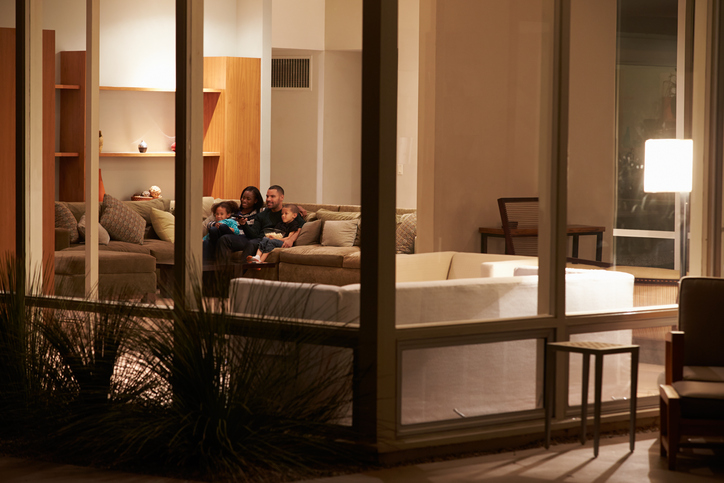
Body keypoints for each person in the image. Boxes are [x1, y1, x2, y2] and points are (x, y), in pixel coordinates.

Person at [216, 184, 305, 263]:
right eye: (267, 196)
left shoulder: (287, 213)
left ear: (281, 197)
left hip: (273, 241)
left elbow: (301, 225)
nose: (268, 199)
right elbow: (253, 234)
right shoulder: (262, 214)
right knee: (224, 239)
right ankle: (222, 276)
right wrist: (244, 224)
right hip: (259, 239)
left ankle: (239, 278)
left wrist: (291, 239)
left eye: (272, 196)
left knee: (251, 243)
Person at [203, 186, 263, 263]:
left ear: (255, 201)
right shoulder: (234, 211)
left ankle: (223, 272)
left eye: (248, 199)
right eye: (243, 197)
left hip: (242, 238)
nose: (244, 200)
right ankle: (203, 273)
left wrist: (244, 224)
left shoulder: (257, 215)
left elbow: (253, 234)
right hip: (223, 233)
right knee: (209, 238)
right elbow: (210, 222)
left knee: (224, 237)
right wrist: (215, 224)